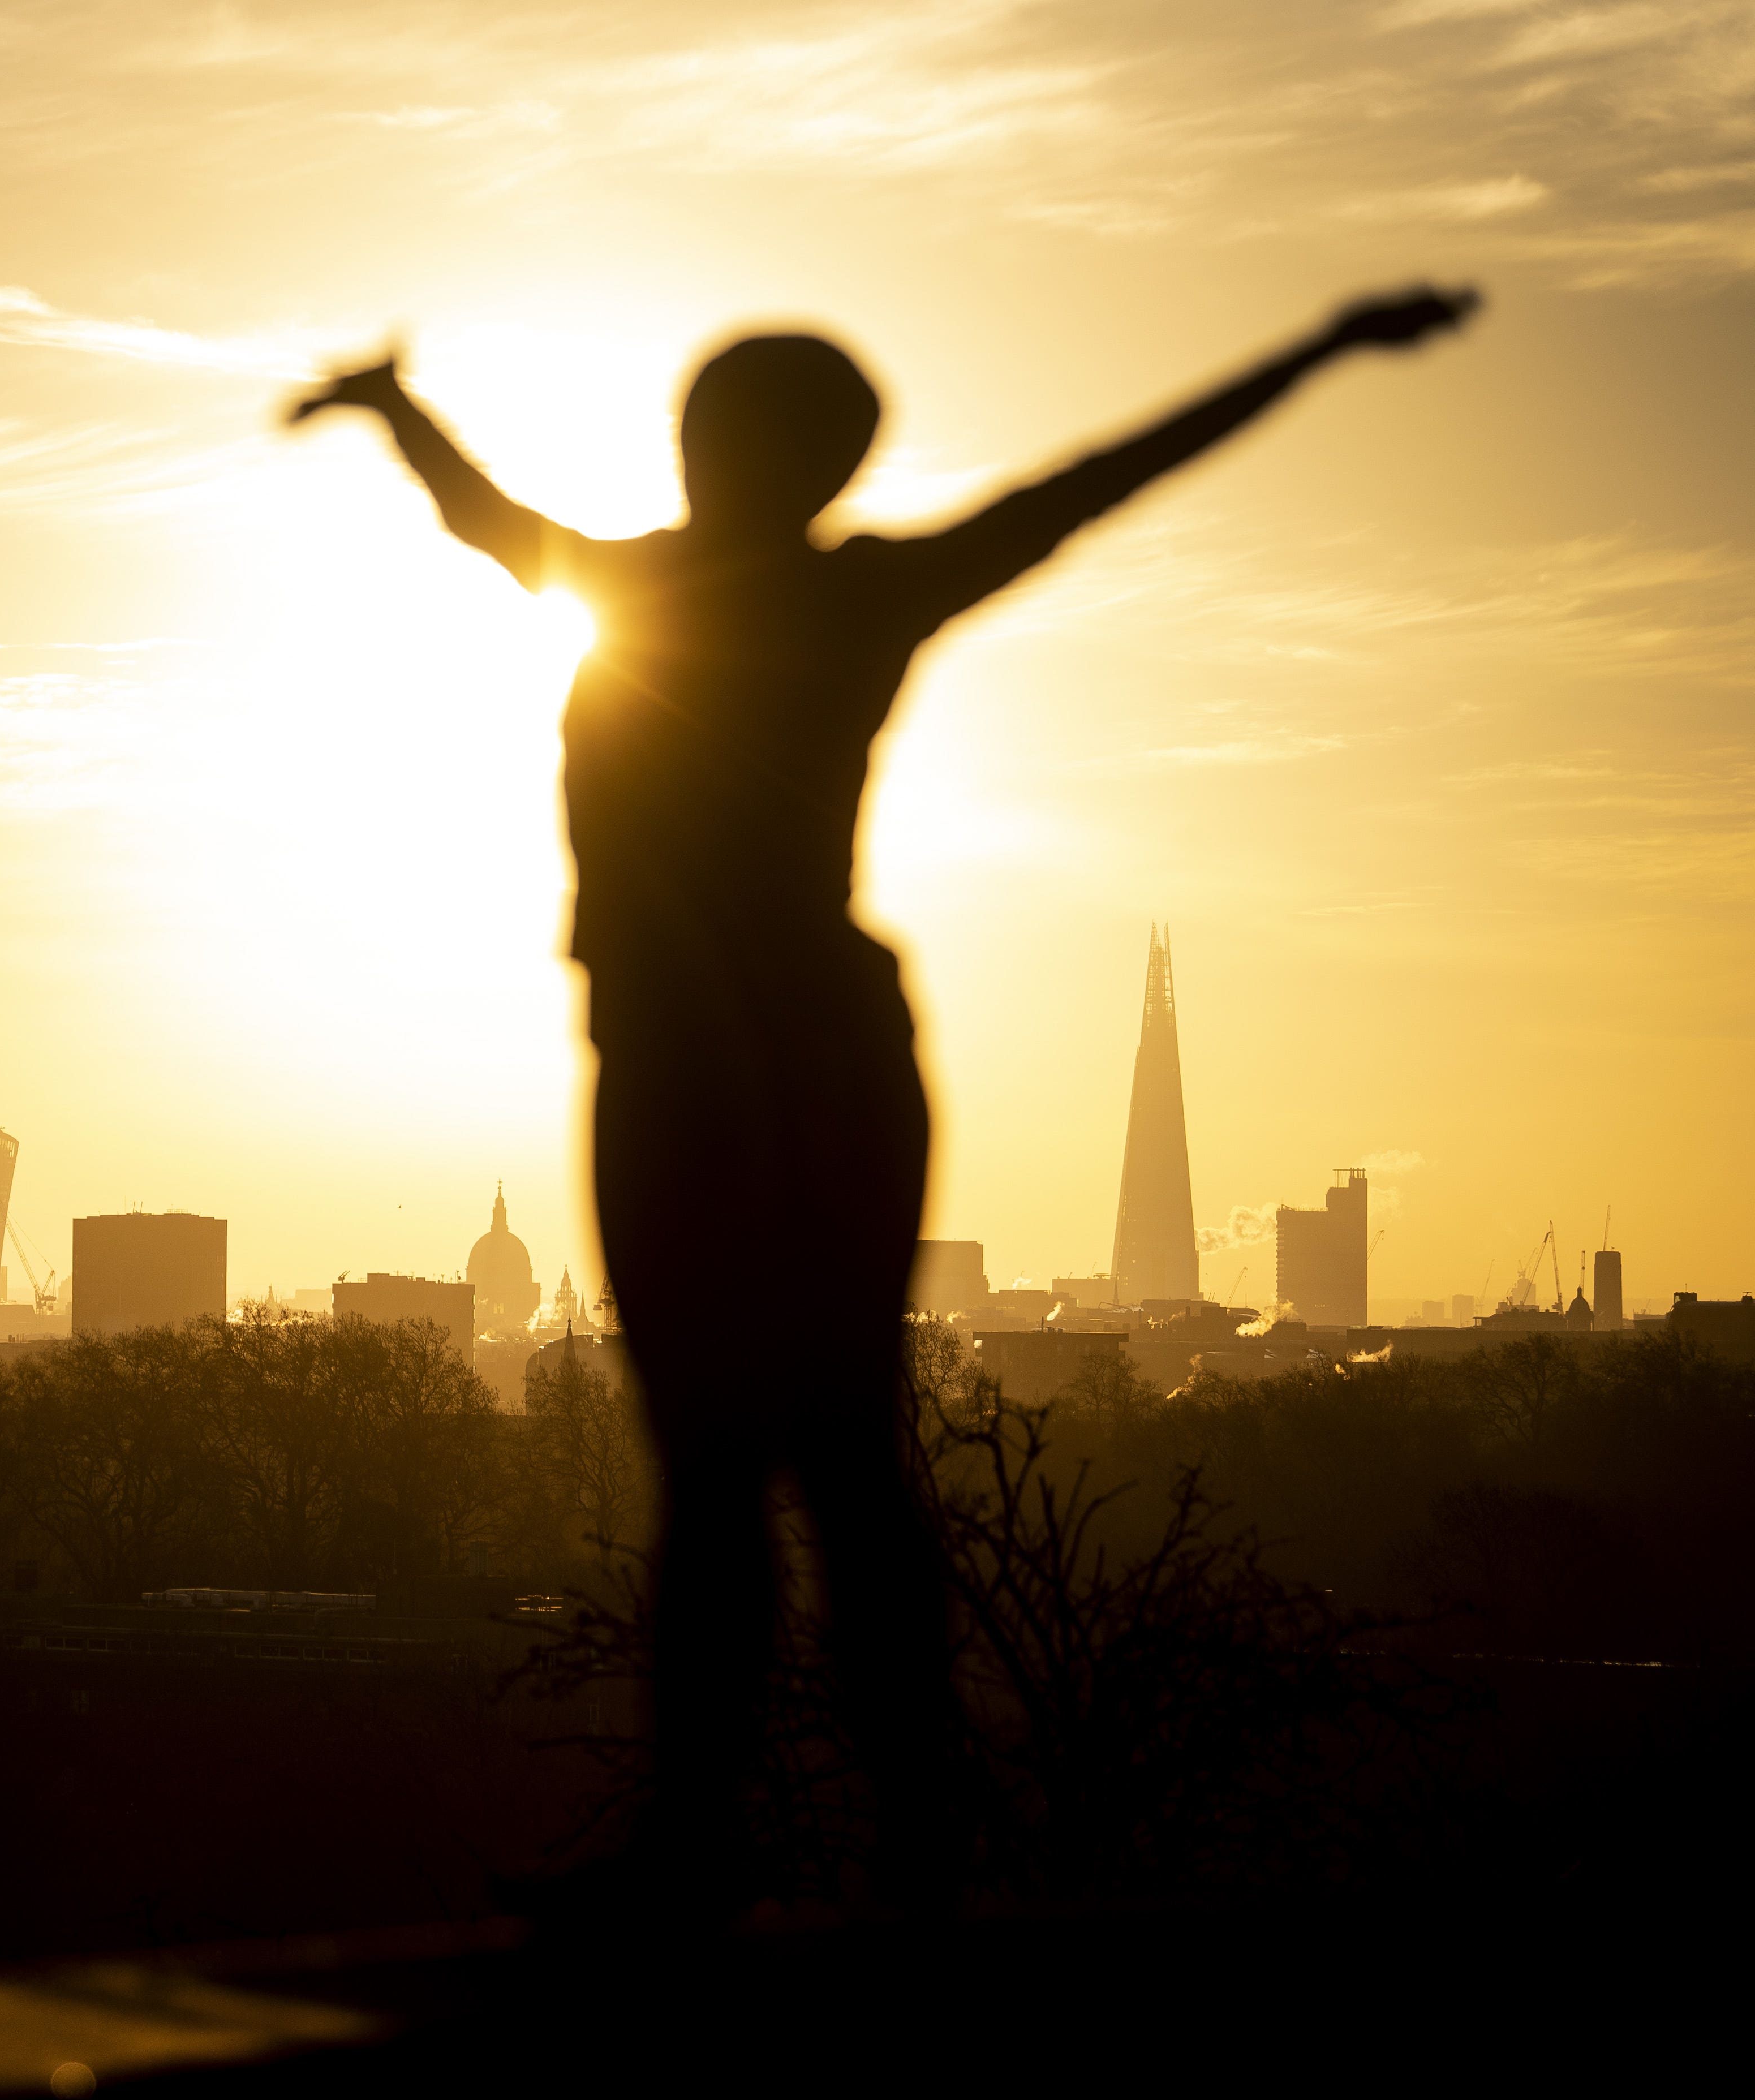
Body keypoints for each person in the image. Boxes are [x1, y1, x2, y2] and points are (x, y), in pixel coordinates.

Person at [290, 287, 1477, 1906]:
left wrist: (1319, 349)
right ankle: (870, 1842)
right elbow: (1094, 481)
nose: (694, 444)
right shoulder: (784, 591)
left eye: (712, 423)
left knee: (765, 1467)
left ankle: (799, 1847)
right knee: (781, 1466)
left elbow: (1099, 477)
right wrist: (391, 410)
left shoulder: (660, 586)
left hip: (732, 1063)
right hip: (729, 1056)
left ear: (746, 448)